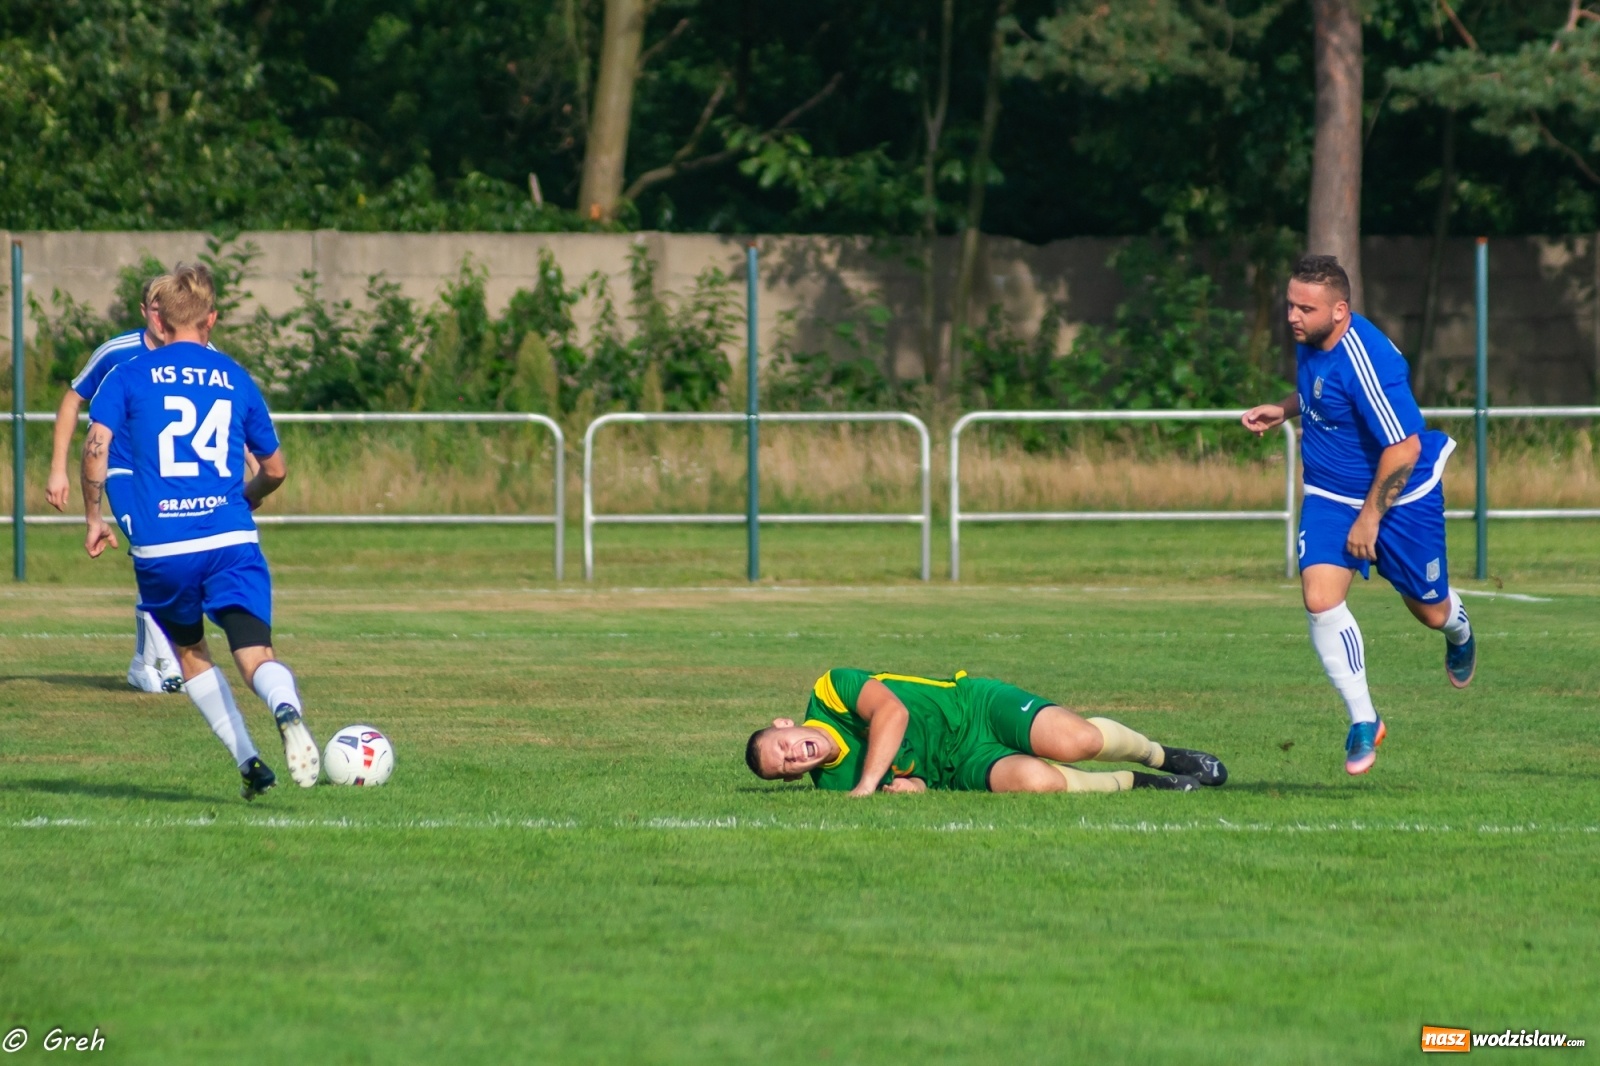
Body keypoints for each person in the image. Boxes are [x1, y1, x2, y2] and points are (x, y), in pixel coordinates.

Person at [80, 264, 320, 799]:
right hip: (230, 540)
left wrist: (95, 518)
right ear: (211, 319)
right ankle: (285, 707)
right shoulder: (235, 376)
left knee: (191, 654)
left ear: (158, 321)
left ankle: (250, 762)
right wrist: (245, 499)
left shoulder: (128, 375)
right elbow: (275, 468)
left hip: (164, 547)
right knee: (256, 652)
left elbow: (96, 449)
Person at [1242, 254, 1475, 776]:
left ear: (1340, 311)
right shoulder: (1313, 341)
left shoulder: (1367, 360)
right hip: (1329, 492)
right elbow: (1322, 397)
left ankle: (1459, 631)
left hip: (1399, 498)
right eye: (1290, 304)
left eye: (1306, 308)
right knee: (1320, 599)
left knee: (1430, 611)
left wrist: (1370, 518)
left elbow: (1405, 449)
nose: (1292, 317)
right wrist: (1284, 408)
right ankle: (1364, 718)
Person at [745, 668, 1227, 795]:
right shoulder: (831, 783)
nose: (793, 756)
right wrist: (913, 787)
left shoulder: (830, 690)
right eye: (786, 765)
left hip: (971, 706)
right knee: (1040, 783)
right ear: (793, 777)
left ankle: (1160, 755)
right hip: (961, 766)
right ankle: (1143, 783)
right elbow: (914, 777)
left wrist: (869, 785)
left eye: (782, 746)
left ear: (783, 724)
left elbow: (892, 714)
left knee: (1078, 742)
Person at [47, 278, 185, 694]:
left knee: (176, 563)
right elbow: (74, 398)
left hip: (173, 482)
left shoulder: (197, 355)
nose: (162, 320)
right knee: (150, 544)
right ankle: (163, 659)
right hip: (124, 473)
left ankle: (144, 661)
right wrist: (58, 469)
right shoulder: (118, 352)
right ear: (145, 311)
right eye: (155, 310)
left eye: (169, 310)